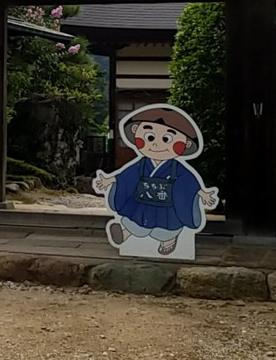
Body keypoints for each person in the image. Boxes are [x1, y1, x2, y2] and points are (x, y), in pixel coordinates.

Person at [92, 104, 218, 257]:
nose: (156, 144)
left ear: (185, 144)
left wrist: (201, 193)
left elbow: (189, 182)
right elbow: (126, 176)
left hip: (167, 205)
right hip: (143, 202)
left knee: (166, 228)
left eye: (167, 139)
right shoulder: (142, 164)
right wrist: (111, 180)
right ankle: (124, 233)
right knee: (136, 222)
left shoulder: (177, 168)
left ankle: (169, 241)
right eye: (150, 137)